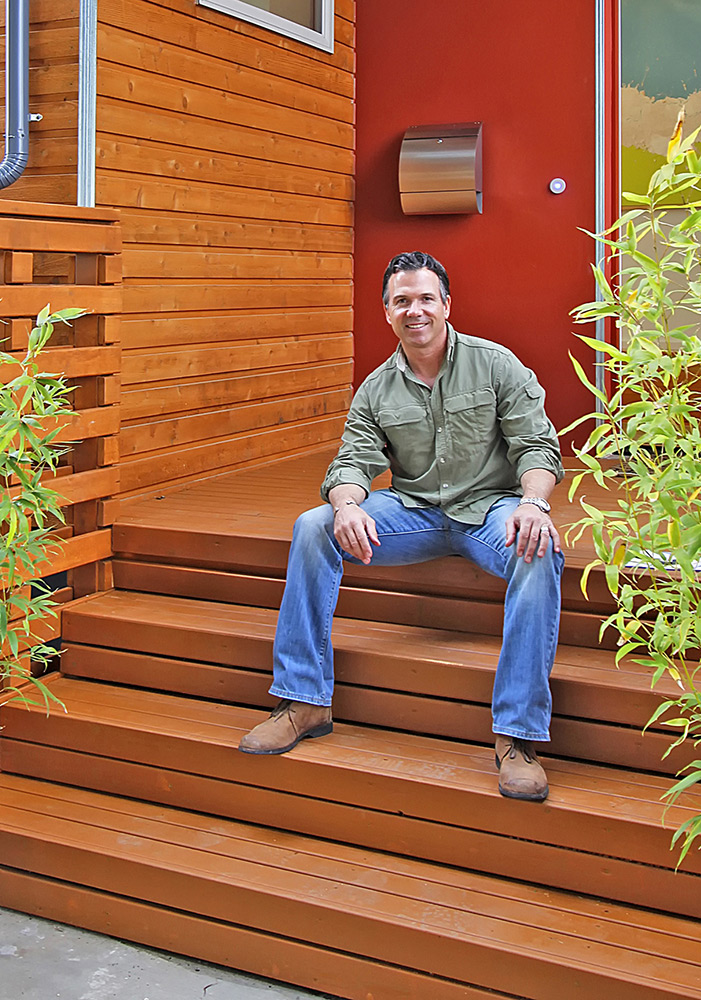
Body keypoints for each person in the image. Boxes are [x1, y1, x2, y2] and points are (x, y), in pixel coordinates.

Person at [238, 251, 564, 802]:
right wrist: (346, 505)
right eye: (402, 301)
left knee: (538, 551)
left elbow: (537, 445)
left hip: (492, 511)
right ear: (386, 311)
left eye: (426, 298)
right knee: (314, 525)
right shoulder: (376, 389)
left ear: (446, 305)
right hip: (414, 512)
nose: (415, 310)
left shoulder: (496, 364)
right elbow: (350, 464)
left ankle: (517, 737)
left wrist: (534, 503)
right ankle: (304, 700)